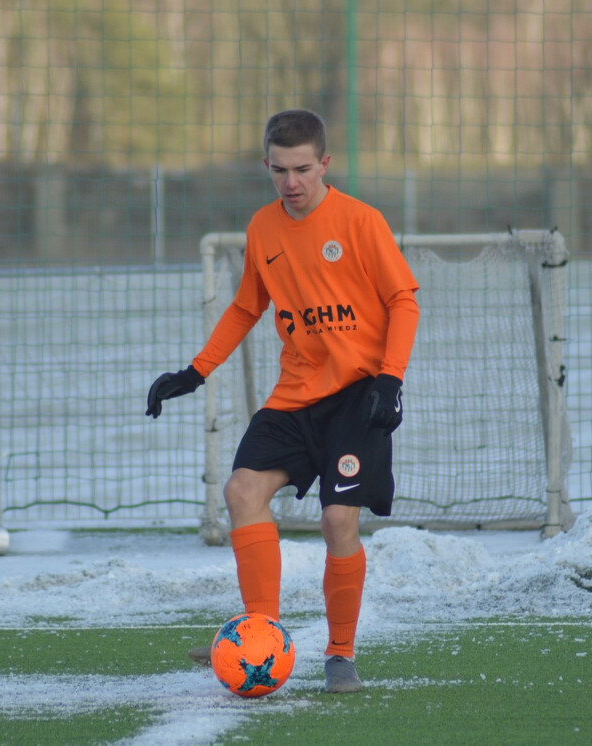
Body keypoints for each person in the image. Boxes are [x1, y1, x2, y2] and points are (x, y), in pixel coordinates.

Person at [146, 109, 419, 694]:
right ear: (266, 166)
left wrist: (390, 380)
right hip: (296, 394)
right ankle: (259, 636)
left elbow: (404, 301)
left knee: (337, 519)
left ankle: (340, 655)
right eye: (279, 171)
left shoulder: (360, 221)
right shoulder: (263, 228)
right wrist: (195, 372)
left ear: (325, 164)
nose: (291, 182)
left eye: (302, 169)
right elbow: (248, 306)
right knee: (242, 491)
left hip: (357, 396)